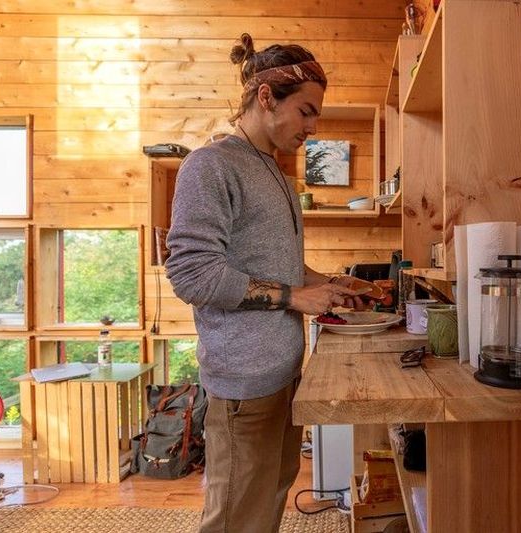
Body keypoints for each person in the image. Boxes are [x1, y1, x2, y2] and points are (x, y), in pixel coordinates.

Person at [165, 33, 367, 533]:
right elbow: (191, 274)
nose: (313, 126)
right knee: (236, 517)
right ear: (264, 98)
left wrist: (331, 283)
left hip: (281, 373)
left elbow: (280, 266)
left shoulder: (273, 171)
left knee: (270, 498)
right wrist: (297, 297)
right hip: (242, 382)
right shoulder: (210, 165)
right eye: (305, 111)